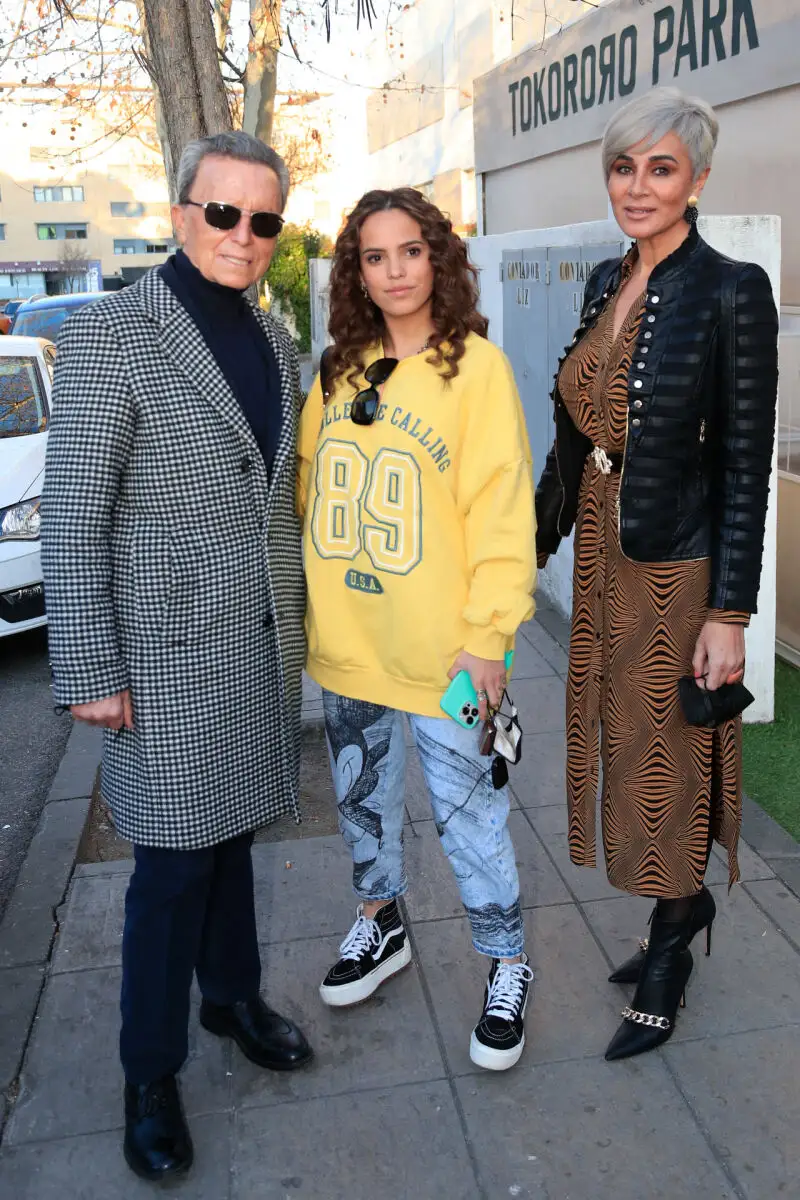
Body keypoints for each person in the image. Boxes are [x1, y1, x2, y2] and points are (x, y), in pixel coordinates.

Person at [40, 132, 313, 1183]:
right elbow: (74, 515)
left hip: (252, 647)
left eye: (263, 220)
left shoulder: (272, 338)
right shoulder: (115, 333)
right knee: (167, 870)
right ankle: (148, 1072)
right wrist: (90, 669)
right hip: (160, 659)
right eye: (222, 213)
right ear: (179, 212)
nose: (242, 236)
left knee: (233, 835)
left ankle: (230, 996)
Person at [535, 88, 778, 1060]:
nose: (636, 187)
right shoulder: (604, 277)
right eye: (622, 167)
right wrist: (526, 551)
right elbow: (571, 434)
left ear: (698, 179)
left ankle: (672, 942)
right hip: (602, 548)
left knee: (668, 759)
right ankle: (666, 915)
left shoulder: (731, 287)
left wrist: (729, 610)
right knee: (625, 746)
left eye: (660, 167)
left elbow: (743, 461)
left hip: (673, 567)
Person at [297, 188, 537, 1071]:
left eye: (410, 251)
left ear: (437, 257)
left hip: (453, 655)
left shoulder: (476, 368)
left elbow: (503, 515)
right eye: (373, 256)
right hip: (353, 643)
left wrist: (489, 640)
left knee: (472, 817)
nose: (394, 270)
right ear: (354, 271)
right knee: (362, 804)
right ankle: (380, 921)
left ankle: (507, 963)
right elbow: (304, 492)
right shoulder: (337, 371)